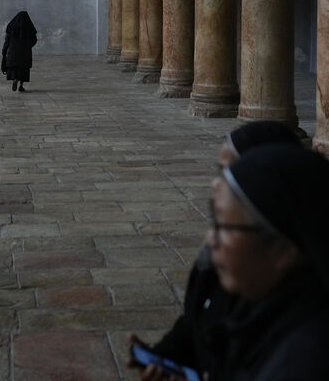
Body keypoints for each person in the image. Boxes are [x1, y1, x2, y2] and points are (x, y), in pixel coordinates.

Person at [137, 143, 329, 381]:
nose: (211, 240)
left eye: (226, 228)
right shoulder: (270, 306)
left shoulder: (311, 362)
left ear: (284, 248)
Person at [129, 121, 302, 379]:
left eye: (229, 172)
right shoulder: (228, 254)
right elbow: (199, 322)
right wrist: (164, 356)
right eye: (219, 172)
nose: (217, 185)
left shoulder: (302, 336)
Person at [1, 11, 37, 92]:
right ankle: (21, 86)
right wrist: (28, 46)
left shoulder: (11, 26)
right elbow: (34, 40)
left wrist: (4, 50)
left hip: (13, 52)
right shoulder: (29, 27)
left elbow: (7, 41)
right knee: (24, 69)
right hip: (25, 52)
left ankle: (15, 79)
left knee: (15, 68)